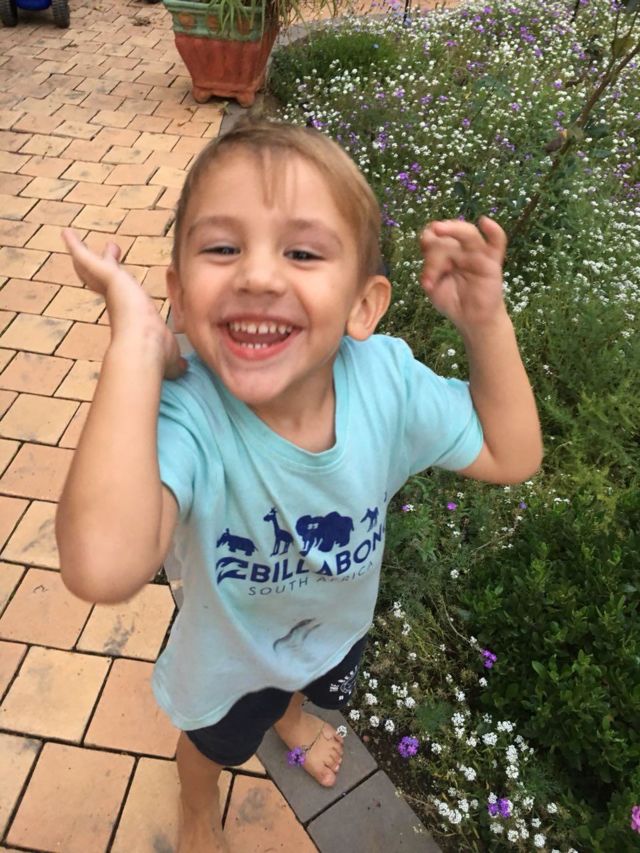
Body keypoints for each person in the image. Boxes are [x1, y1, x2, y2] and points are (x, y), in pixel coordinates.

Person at [56, 119, 542, 852]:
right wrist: (135, 348)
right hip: (226, 654)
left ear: (363, 306)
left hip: (332, 624)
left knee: (301, 684)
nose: (257, 275)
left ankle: (289, 714)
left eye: (303, 252)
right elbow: (100, 565)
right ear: (180, 296)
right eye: (223, 248)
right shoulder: (190, 410)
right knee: (213, 745)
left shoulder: (387, 385)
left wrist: (486, 322)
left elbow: (512, 452)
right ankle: (197, 805)